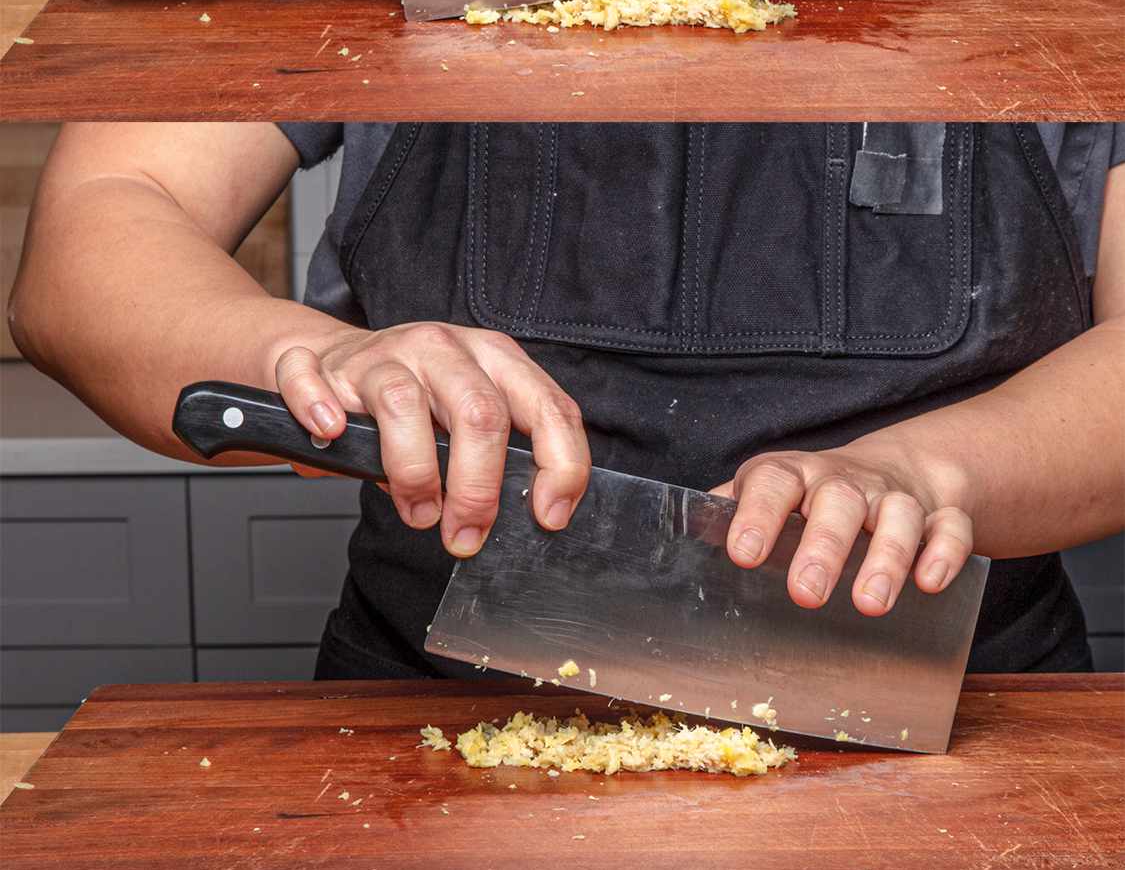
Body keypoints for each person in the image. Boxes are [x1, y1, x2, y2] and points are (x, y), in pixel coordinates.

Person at [9, 120, 1124, 681]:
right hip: (430, 716)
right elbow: (91, 245)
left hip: (972, 714)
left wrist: (930, 477)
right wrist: (302, 352)